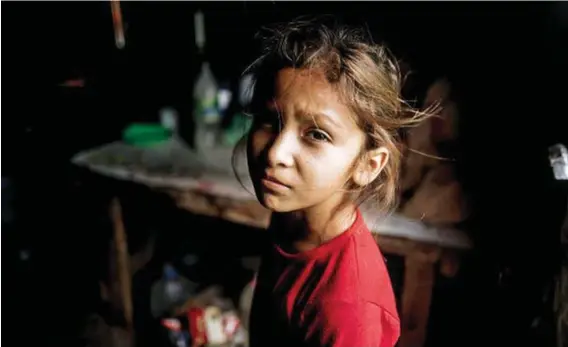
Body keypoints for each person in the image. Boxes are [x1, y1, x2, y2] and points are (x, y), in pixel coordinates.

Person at [236, 16, 430, 347]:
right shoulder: (291, 212)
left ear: (368, 165)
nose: (276, 154)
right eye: (271, 120)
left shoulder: (349, 313)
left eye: (316, 134)